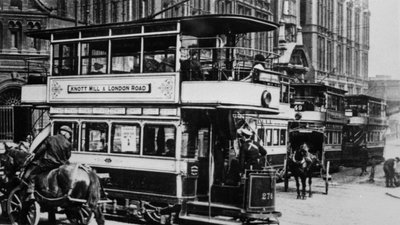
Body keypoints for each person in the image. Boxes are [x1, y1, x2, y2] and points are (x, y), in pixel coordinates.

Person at [21, 125, 73, 200]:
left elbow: (40, 150)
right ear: (65, 133)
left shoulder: (50, 139)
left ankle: (31, 192)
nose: (69, 136)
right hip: (60, 165)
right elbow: (68, 156)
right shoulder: (68, 144)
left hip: (48, 163)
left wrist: (35, 157)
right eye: (69, 134)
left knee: (33, 174)